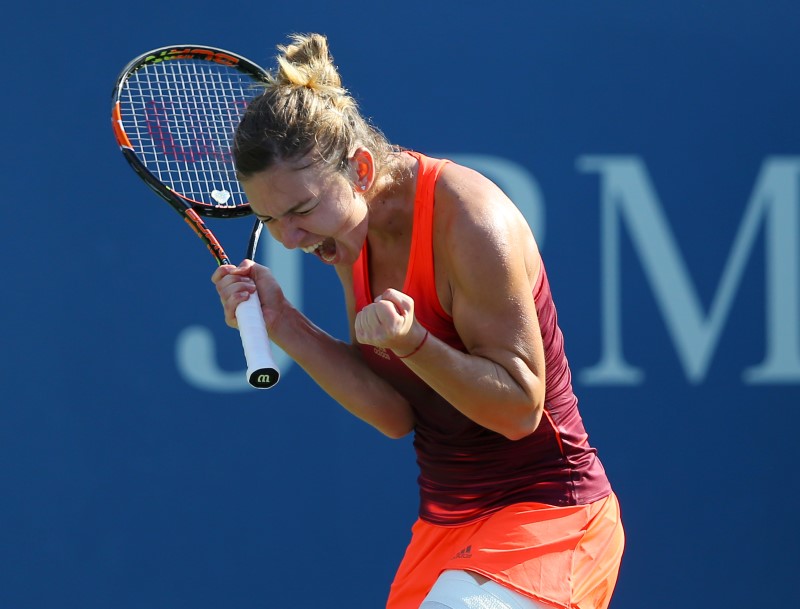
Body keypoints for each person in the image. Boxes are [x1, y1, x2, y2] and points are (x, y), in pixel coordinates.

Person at [213, 33, 625, 609]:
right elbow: (393, 414)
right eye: (269, 219)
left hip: (548, 517)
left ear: (359, 169)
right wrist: (283, 322)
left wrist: (414, 342)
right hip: (447, 527)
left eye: (301, 210)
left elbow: (518, 411)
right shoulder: (347, 236)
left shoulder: (470, 220)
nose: (290, 238)